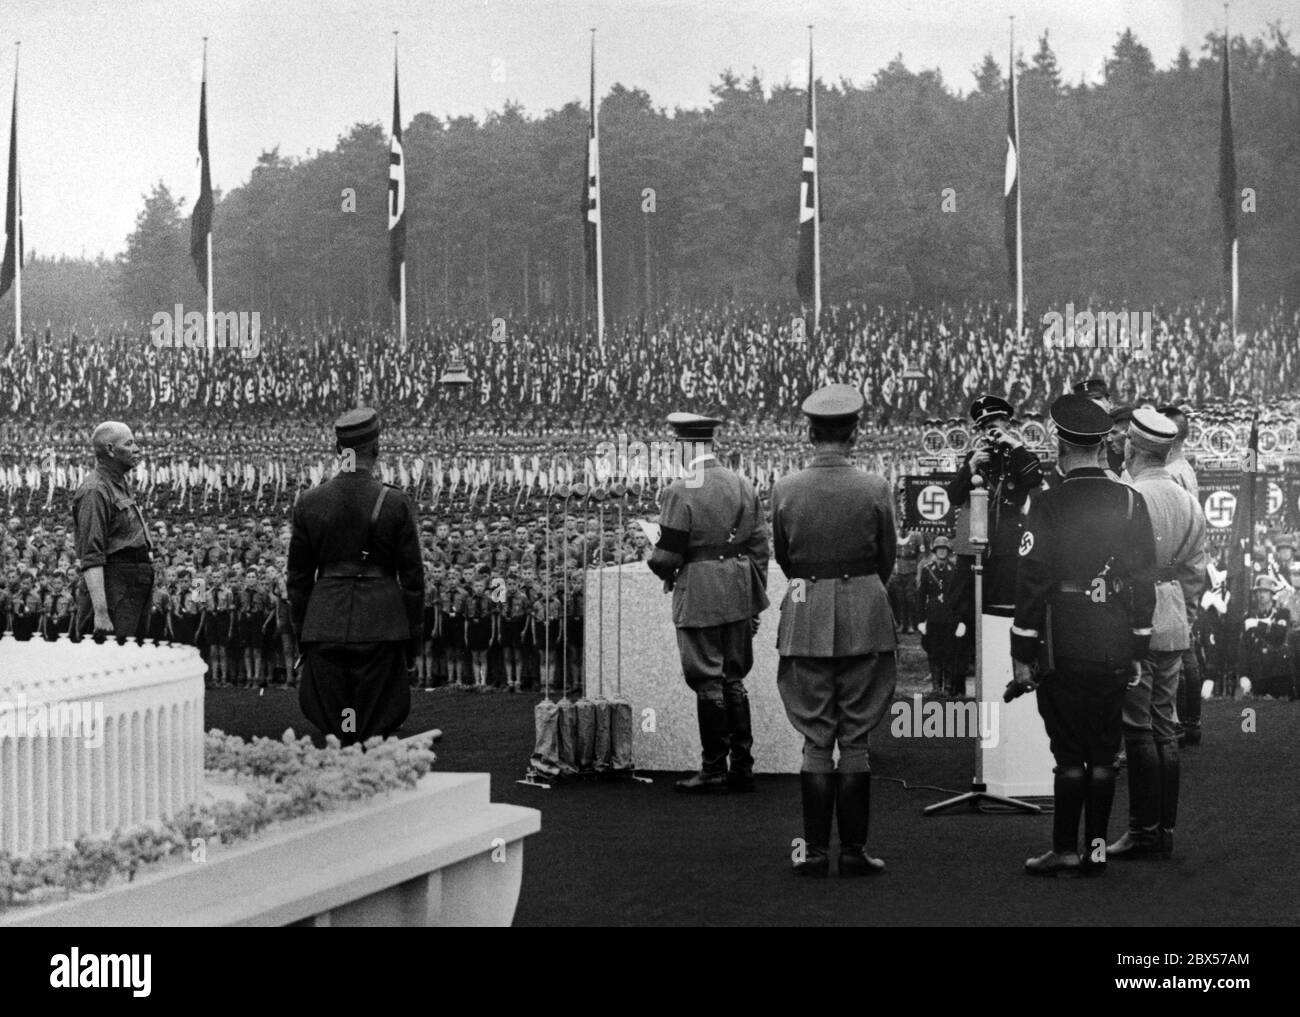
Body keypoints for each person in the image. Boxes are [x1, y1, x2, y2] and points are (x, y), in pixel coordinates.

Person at [1008, 394, 1157, 877]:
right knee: (1104, 751)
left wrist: (1022, 651)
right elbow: (1143, 583)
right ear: (1101, 445)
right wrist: (1138, 646)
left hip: (1064, 641)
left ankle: (1064, 849)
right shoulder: (1132, 502)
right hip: (1114, 640)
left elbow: (1031, 581)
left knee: (1068, 753)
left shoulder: (1048, 503)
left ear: (1060, 444)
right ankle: (1095, 850)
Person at [769, 385, 897, 877]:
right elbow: (886, 555)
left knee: (816, 741)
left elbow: (785, 557)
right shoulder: (875, 486)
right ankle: (854, 851)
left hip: (806, 615)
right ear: (855, 433)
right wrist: (861, 591)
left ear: (810, 432)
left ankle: (815, 852)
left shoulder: (785, 487)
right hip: (865, 613)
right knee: (857, 738)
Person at [648, 411, 770, 794]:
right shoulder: (742, 484)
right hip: (737, 591)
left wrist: (657, 560)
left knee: (707, 680)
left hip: (699, 593)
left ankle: (713, 768)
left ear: (684, 447)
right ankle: (743, 767)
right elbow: (759, 550)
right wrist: (752, 600)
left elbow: (667, 557)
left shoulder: (679, 491)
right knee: (734, 678)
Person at [287, 408, 425, 746]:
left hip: (325, 623)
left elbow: (298, 579)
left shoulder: (309, 502)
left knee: (341, 724)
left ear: (338, 451)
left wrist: (302, 632)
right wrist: (412, 638)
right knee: (371, 724)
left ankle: (347, 742)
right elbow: (412, 579)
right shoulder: (394, 502)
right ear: (376, 448)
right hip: (382, 624)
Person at [1108, 409, 1207, 862]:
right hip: (1172, 619)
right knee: (1166, 726)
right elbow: (1195, 573)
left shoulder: (1126, 495)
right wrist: (1180, 614)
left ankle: (1142, 831)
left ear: (1133, 448)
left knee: (1137, 726)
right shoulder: (1189, 500)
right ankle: (1164, 830)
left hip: (1134, 619)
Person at [948, 395, 1041, 613]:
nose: (988, 432)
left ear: (1007, 423)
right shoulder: (975, 457)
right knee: (966, 606)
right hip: (975, 543)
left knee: (1003, 605)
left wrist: (1014, 445)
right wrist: (970, 467)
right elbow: (954, 497)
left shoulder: (1020, 454)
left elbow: (1033, 478)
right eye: (983, 428)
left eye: (993, 425)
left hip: (1007, 543)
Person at [71, 421, 155, 642]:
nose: (137, 449)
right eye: (129, 444)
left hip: (132, 587)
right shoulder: (95, 491)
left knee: (133, 659)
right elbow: (91, 555)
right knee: (113, 659)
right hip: (114, 588)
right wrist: (100, 612)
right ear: (110, 450)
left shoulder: (119, 483)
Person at [1237, 575, 1293, 699]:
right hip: (1257, 675)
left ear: (1272, 594)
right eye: (1259, 591)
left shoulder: (1282, 614)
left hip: (1277, 675)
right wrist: (1243, 675)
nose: (1261, 595)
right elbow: (1243, 649)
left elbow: (1280, 632)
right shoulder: (1248, 616)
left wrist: (1258, 624)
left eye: (1265, 591)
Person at [919, 535, 961, 697]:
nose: (942, 552)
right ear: (935, 551)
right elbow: (921, 596)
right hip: (933, 617)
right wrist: (921, 620)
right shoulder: (927, 569)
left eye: (944, 549)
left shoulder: (955, 570)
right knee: (934, 652)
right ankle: (936, 687)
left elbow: (960, 595)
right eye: (939, 549)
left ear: (949, 551)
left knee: (950, 653)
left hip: (950, 618)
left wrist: (960, 620)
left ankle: (948, 686)